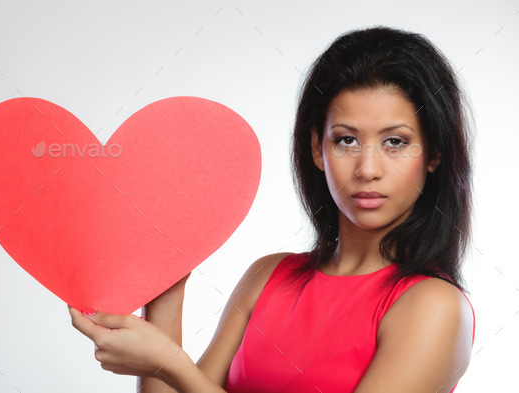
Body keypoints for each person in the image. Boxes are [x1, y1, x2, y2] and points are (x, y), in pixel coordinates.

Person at [69, 25, 476, 393]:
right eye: (346, 140)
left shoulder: (434, 307)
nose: (368, 169)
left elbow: (184, 380)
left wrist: (169, 364)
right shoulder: (269, 275)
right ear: (318, 148)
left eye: (395, 142)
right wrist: (164, 293)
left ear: (434, 153)